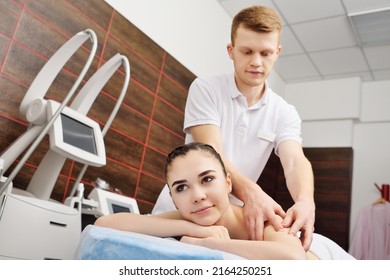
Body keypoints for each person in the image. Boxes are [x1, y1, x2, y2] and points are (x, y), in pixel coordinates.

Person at [152, 5, 315, 251]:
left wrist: (306, 201)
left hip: (230, 221)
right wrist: (253, 193)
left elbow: (294, 162)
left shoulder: (284, 112)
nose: (256, 62)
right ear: (231, 51)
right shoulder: (206, 89)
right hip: (181, 211)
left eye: (266, 53)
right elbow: (211, 152)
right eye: (247, 51)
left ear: (277, 53)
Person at [95, 142, 318, 260]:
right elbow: (104, 224)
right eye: (182, 187)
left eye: (207, 179)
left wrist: (207, 243)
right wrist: (187, 227)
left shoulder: (264, 221)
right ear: (173, 199)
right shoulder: (190, 218)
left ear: (228, 183)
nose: (198, 196)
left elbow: (293, 258)